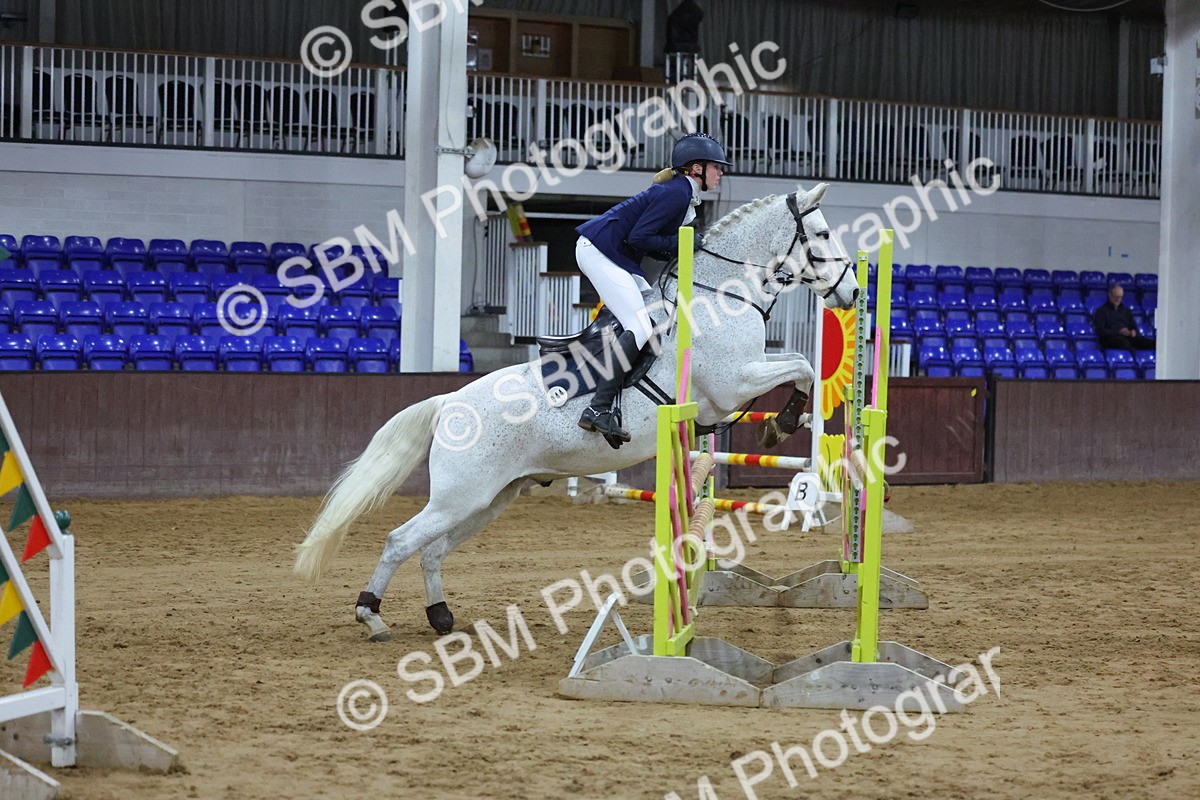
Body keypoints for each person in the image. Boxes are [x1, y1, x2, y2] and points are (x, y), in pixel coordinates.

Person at [573, 132, 731, 443]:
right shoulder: (676, 193)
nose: (721, 172)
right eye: (716, 166)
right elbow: (640, 238)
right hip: (599, 250)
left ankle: (619, 402)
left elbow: (649, 243)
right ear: (696, 168)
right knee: (639, 325)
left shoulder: (682, 195)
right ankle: (598, 407)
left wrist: (681, 246)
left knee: (654, 319)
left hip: (615, 255)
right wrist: (680, 244)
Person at [1092, 283, 1154, 352]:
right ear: (1110, 295)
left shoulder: (1126, 310)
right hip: (1111, 339)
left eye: (1120, 297)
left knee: (1151, 343)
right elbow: (1101, 331)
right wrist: (1119, 332)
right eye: (1116, 297)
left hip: (1127, 337)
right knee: (1123, 342)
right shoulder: (1102, 311)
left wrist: (1133, 332)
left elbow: (1134, 327)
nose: (1118, 299)